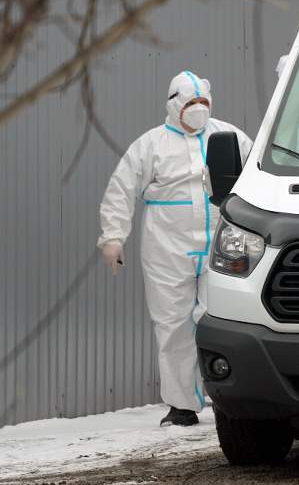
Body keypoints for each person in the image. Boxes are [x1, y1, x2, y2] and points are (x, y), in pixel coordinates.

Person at [97, 70, 253, 426]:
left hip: (222, 246)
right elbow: (121, 190)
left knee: (224, 321)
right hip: (167, 249)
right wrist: (113, 237)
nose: (198, 108)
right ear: (173, 105)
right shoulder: (151, 145)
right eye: (190, 102)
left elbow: (259, 177)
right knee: (173, 326)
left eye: (203, 102)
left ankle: (232, 398)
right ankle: (182, 406)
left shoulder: (230, 138)